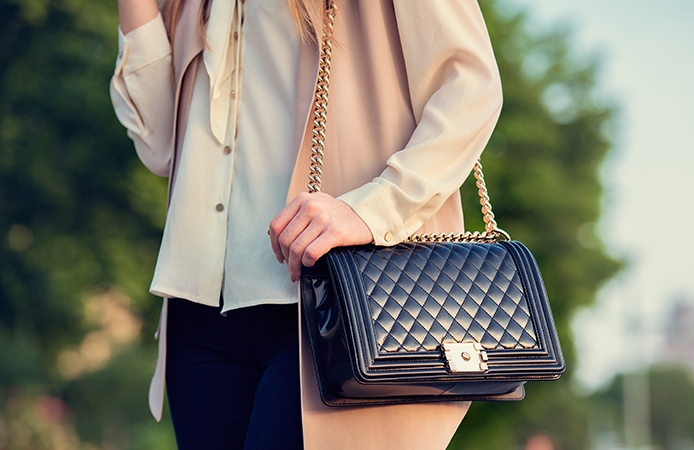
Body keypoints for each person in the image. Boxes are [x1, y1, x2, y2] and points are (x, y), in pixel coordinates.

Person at [110, 0, 503, 448]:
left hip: (338, 301)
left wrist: (373, 207)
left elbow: (471, 86)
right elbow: (160, 146)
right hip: (199, 313)